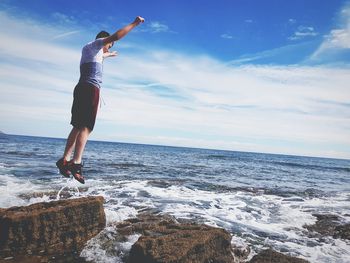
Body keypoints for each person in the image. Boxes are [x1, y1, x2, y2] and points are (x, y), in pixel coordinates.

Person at [56, 16, 145, 184]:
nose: (107, 49)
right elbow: (116, 36)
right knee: (86, 127)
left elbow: (102, 55)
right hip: (90, 89)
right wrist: (134, 23)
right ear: (104, 40)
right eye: (108, 46)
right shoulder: (95, 45)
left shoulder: (91, 51)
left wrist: (108, 54)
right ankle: (76, 163)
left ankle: (64, 161)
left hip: (82, 88)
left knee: (77, 126)